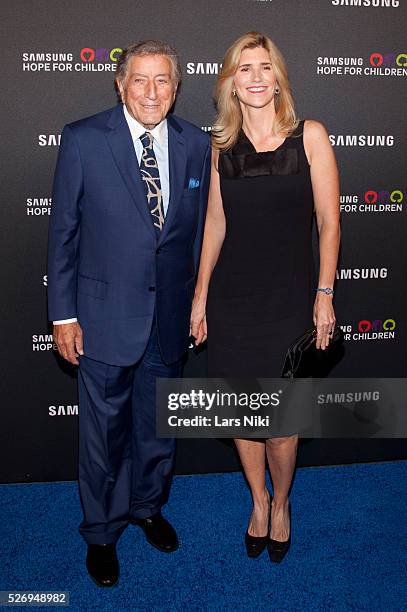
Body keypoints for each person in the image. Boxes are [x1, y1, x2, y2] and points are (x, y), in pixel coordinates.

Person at [47, 40, 210, 587]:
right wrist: (62, 314)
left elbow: (188, 237)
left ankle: (146, 507)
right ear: (120, 84)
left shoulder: (194, 143)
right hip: (101, 318)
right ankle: (100, 531)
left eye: (162, 80)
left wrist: (195, 302)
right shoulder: (84, 139)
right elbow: (63, 234)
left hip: (168, 319)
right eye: (139, 80)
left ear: (176, 86)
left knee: (158, 431)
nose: (151, 92)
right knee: (102, 438)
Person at [190, 32, 340, 563]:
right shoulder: (220, 147)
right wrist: (201, 294)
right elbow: (214, 224)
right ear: (229, 83)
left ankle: (283, 504)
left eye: (263, 67)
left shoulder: (311, 136)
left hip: (289, 301)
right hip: (234, 300)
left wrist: (324, 294)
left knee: (280, 426)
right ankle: (258, 501)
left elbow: (329, 222)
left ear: (278, 76)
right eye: (242, 69)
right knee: (242, 418)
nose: (254, 77)